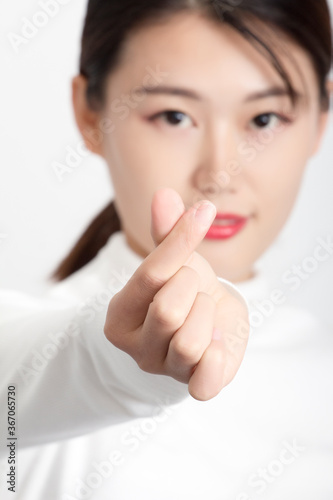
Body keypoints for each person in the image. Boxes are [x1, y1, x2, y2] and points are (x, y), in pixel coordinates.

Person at [0, 0, 332, 498]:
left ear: (320, 120)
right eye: (174, 116)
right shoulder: (29, 358)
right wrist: (119, 362)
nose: (221, 173)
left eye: (264, 119)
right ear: (89, 115)